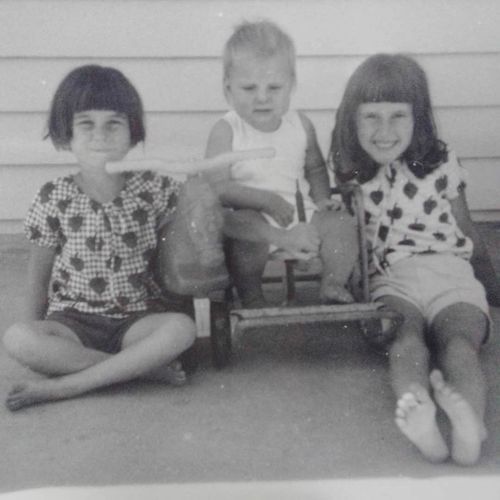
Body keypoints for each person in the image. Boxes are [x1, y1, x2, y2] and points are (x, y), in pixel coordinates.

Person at [330, 53, 500, 465]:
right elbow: (342, 240)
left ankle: (468, 426)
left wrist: (492, 285)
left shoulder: (442, 164)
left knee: (460, 345)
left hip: (452, 274)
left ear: (418, 118)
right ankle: (419, 415)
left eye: (397, 116)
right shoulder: (350, 175)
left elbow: (467, 231)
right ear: (352, 120)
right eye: (371, 117)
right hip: (391, 281)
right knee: (405, 343)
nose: (384, 131)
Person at [2, 65, 200, 411]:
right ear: (67, 134)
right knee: (17, 337)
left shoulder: (154, 187)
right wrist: (36, 331)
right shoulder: (54, 196)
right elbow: (39, 274)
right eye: (86, 124)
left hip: (136, 319)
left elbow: (197, 216)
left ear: (132, 132)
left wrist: (195, 178)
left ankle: (67, 385)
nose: (101, 135)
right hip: (72, 322)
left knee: (181, 328)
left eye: (114, 123)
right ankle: (138, 371)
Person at [205, 19, 358, 308]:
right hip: (253, 220)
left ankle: (333, 283)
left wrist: (323, 199)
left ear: (291, 86)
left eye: (274, 87)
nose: (262, 97)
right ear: (228, 89)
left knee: (340, 223)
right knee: (240, 228)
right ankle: (252, 296)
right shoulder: (227, 130)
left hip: (304, 214)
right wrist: (264, 200)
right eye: (249, 88)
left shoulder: (300, 124)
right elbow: (217, 186)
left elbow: (314, 168)